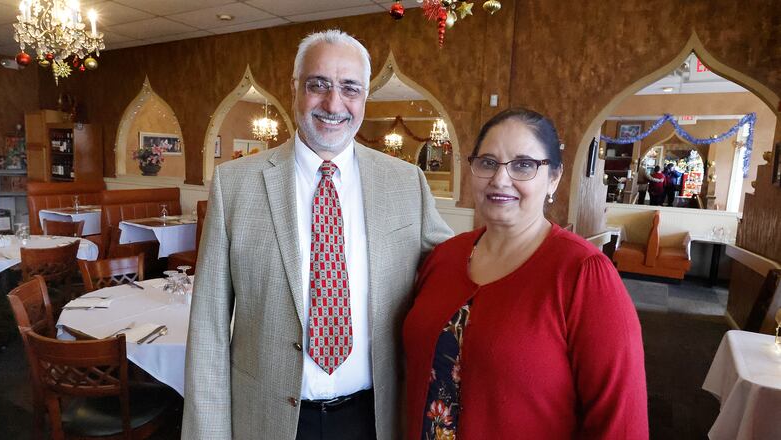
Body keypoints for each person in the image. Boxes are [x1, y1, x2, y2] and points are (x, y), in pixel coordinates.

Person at [182, 30, 453, 440]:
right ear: (295, 90)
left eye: (350, 88)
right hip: (267, 421)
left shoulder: (405, 182)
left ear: (364, 98)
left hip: (374, 419)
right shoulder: (233, 185)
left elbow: (455, 270)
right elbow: (209, 330)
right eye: (318, 85)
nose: (333, 103)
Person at [403, 108, 648, 439]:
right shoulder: (444, 258)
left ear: (554, 179)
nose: (500, 179)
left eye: (523, 165)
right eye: (488, 162)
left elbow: (620, 424)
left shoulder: (583, 274)